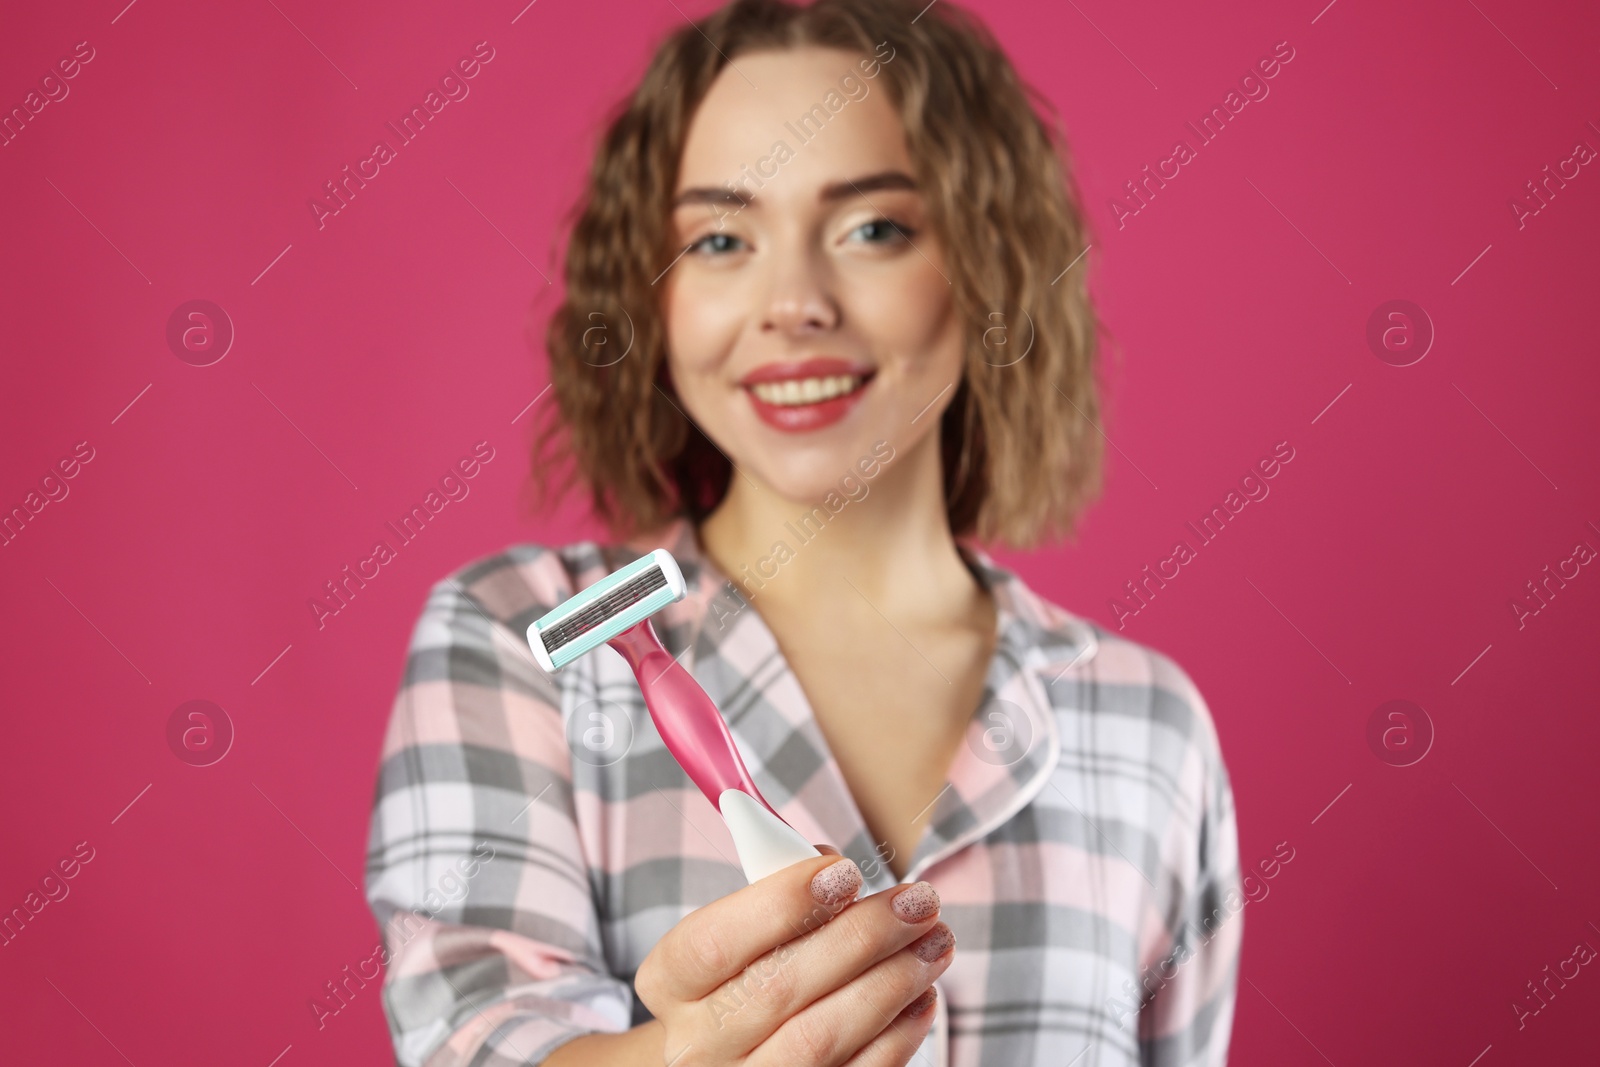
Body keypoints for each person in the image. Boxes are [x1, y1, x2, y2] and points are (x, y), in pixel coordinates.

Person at [362, 1, 1243, 1064]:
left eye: (873, 227)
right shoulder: (524, 635)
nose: (791, 302)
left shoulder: (1146, 726)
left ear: (986, 265)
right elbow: (475, 1036)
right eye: (721, 237)